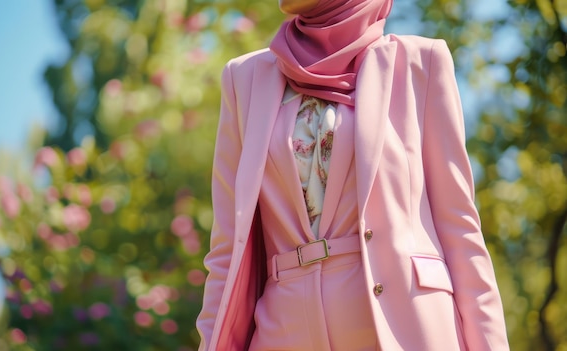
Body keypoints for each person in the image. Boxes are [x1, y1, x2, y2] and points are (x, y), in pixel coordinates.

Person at [196, 0, 510, 349]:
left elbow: (460, 231)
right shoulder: (244, 79)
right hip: (283, 332)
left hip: (407, 328)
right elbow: (226, 250)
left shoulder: (422, 62)